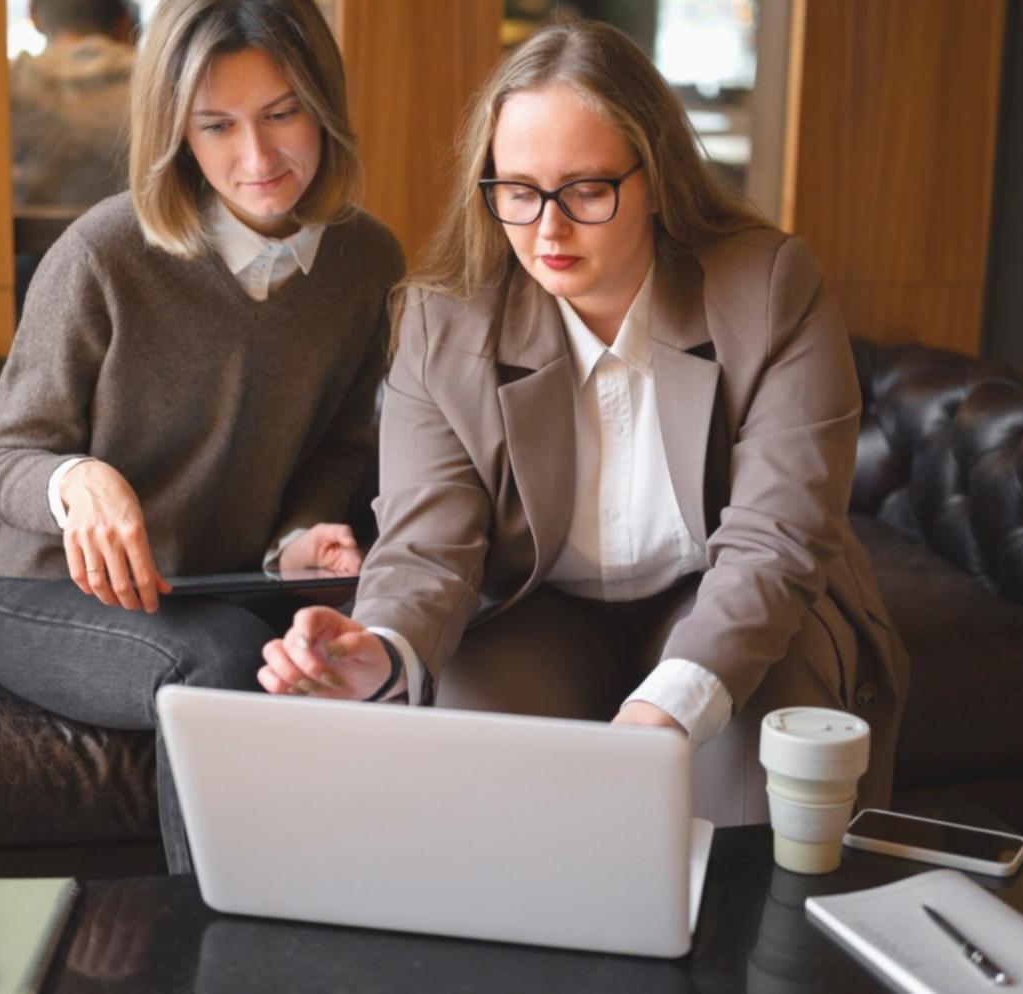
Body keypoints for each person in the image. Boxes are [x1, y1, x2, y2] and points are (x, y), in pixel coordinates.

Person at [257, 20, 908, 817]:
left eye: (587, 190)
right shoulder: (442, 322)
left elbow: (776, 541)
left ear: (658, 179)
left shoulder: (768, 286)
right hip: (542, 606)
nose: (547, 230)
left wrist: (667, 707)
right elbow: (429, 546)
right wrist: (382, 650)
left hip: (732, 596)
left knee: (738, 801)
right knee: (481, 788)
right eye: (518, 191)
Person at [0, 0, 404, 872]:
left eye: (283, 113)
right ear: (176, 131)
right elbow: (0, 458)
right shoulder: (103, 253)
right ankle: (213, 950)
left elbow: (340, 449)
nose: (257, 158)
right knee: (225, 662)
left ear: (323, 103)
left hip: (228, 581)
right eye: (217, 125)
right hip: (52, 598)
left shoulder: (367, 263)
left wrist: (299, 538)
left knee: (383, 652)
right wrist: (78, 481)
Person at [10, 0, 136, 206]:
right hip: (131, 236)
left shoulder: (5, 84)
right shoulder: (157, 83)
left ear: (33, 14)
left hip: (19, 237)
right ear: (124, 23)